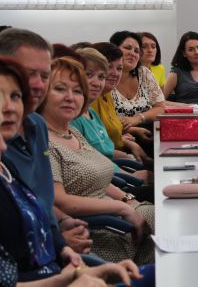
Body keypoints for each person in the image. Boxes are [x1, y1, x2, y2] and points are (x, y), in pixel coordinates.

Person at [0, 88, 144, 286]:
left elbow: (40, 216)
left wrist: (72, 263)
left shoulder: (5, 169)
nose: (2, 145)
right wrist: (71, 278)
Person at [39, 57, 155, 264]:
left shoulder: (73, 133)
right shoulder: (43, 142)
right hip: (104, 231)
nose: (70, 97)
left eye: (77, 91)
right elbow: (60, 201)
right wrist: (121, 208)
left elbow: (98, 176)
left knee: (181, 216)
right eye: (60, 89)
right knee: (175, 226)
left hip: (119, 213)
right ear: (41, 94)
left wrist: (128, 199)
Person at [0, 29, 92, 255]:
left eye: (45, 76)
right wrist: (57, 244)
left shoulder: (37, 125)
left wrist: (62, 221)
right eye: (29, 74)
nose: (39, 85)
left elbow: (38, 199)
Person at [72, 48, 152, 185]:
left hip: (118, 169)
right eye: (89, 75)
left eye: (101, 77)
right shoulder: (74, 118)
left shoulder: (93, 111)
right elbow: (91, 167)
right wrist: (130, 177)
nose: (96, 82)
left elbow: (106, 150)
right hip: (111, 181)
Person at [91, 43, 151, 165]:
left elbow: (108, 130)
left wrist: (131, 132)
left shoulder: (107, 93)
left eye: (119, 68)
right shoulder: (92, 100)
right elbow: (97, 147)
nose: (115, 73)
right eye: (109, 67)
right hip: (112, 162)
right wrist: (128, 151)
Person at [109, 31, 165, 157]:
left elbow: (160, 107)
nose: (133, 53)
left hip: (149, 132)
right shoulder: (106, 78)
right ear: (114, 50)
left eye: (136, 51)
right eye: (127, 48)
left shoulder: (143, 73)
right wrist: (130, 129)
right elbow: (102, 120)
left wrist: (138, 118)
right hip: (119, 136)